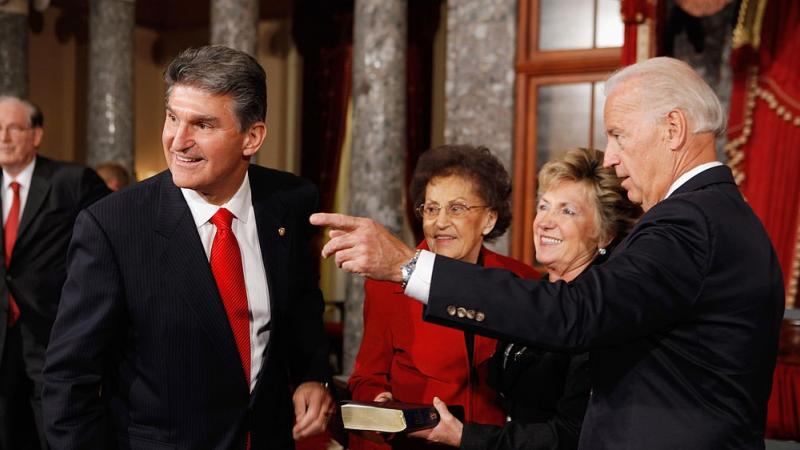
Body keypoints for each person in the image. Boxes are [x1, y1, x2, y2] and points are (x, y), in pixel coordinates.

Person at [312, 56, 785, 450]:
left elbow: (576, 311)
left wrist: (406, 265)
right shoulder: (721, 214)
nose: (611, 155)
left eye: (618, 134)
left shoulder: (688, 222)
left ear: (674, 128)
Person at [42, 45, 333, 450]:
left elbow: (302, 305)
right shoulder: (112, 226)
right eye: (173, 118)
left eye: (203, 125)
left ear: (252, 137)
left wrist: (311, 374)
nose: (178, 141)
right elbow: (67, 381)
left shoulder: (292, 201)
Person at [421, 147, 641, 450]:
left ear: (603, 235)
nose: (545, 222)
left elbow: (570, 435)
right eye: (544, 206)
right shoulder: (533, 290)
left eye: (568, 211)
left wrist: (464, 437)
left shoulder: (599, 313)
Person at [348, 145, 538, 450]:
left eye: (457, 208)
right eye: (432, 208)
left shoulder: (522, 282)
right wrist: (382, 405)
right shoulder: (387, 285)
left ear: (489, 220)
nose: (440, 222)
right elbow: (366, 377)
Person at [0, 95, 109, 450]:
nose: (4, 137)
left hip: (51, 331)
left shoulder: (71, 181)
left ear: (36, 135)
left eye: (14, 128)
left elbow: (107, 241)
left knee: (55, 434)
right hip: (3, 338)